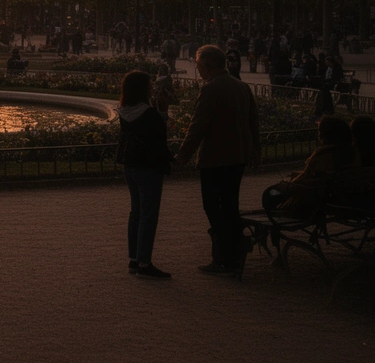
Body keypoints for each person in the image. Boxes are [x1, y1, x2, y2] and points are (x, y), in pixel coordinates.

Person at [175, 44, 260, 275]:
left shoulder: (211, 89)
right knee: (230, 205)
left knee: (212, 206)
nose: (198, 70)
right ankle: (233, 253)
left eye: (199, 65)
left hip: (216, 157)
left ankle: (225, 255)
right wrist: (256, 151)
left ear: (208, 65)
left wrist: (183, 154)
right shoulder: (241, 86)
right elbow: (253, 122)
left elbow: (198, 127)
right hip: (238, 155)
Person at [116, 71, 172, 279]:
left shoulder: (124, 111)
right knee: (149, 215)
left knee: (136, 213)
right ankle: (144, 263)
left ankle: (134, 259)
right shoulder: (149, 113)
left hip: (130, 165)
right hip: (148, 167)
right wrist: (163, 111)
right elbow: (160, 137)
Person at [262, 116, 358, 214]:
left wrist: (283, 185)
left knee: (270, 192)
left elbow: (301, 183)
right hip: (339, 198)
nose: (318, 135)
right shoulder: (353, 153)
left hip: (312, 201)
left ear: (325, 135)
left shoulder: (323, 155)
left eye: (319, 131)